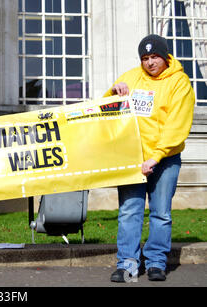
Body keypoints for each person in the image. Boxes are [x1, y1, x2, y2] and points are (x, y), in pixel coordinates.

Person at [104, 34, 195, 282]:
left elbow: (177, 126)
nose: (150, 63)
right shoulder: (131, 77)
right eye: (145, 58)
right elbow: (104, 111)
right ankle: (127, 263)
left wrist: (155, 157)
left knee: (161, 213)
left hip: (164, 158)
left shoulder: (180, 83)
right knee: (129, 211)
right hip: (133, 158)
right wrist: (114, 92)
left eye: (154, 56)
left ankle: (156, 262)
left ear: (165, 57)